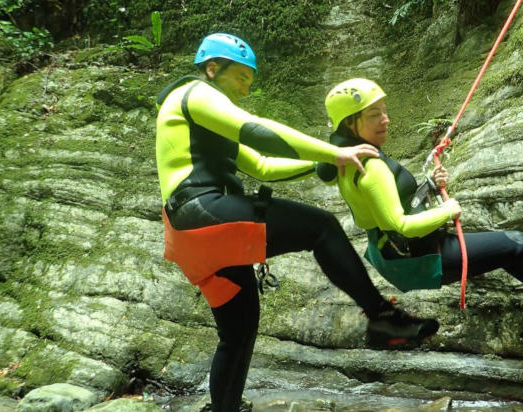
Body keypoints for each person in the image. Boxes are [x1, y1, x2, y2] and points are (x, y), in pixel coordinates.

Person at [155, 35, 439, 412]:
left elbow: (262, 166)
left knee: (238, 332)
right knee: (320, 227)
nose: (245, 88)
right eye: (240, 77)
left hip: (190, 234)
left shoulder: (206, 123)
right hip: (202, 212)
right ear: (212, 69)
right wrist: (335, 150)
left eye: (248, 81)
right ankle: (383, 319)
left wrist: (324, 162)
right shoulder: (195, 92)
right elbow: (257, 131)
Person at [317, 78, 523, 316]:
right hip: (419, 257)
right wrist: (448, 209)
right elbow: (400, 224)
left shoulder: (347, 159)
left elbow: (384, 210)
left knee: (508, 253)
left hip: (402, 255)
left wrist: (429, 187)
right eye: (374, 115)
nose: (386, 119)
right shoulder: (371, 167)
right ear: (350, 123)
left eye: (384, 111)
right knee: (513, 242)